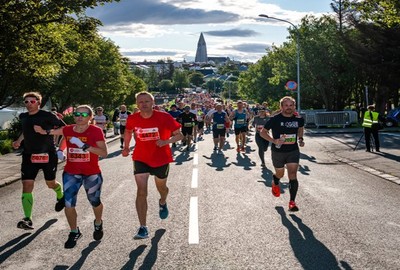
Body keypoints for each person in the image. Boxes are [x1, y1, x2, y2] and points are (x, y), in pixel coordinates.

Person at [34, 105, 108, 248]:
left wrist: (84, 146)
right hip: (71, 172)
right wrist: (61, 150)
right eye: (77, 114)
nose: (80, 116)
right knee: (68, 203)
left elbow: (104, 153)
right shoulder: (68, 129)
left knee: (95, 201)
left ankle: (98, 222)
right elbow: (59, 134)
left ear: (90, 117)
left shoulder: (96, 131)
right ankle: (74, 231)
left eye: (84, 115)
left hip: (91, 173)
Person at [122, 91, 183, 239]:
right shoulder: (132, 118)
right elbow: (128, 131)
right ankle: (143, 227)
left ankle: (162, 201)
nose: (144, 104)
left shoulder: (164, 117)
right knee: (141, 191)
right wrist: (126, 146)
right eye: (141, 102)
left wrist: (166, 142)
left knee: (161, 188)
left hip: (161, 158)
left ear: (153, 103)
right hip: (141, 158)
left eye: (147, 101)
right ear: (137, 104)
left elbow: (179, 135)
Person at [12, 92, 66, 230]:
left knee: (50, 184)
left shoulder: (47, 115)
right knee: (27, 185)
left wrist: (45, 131)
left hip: (48, 155)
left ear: (38, 103)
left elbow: (65, 129)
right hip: (29, 155)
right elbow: (26, 131)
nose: (29, 104)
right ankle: (27, 219)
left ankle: (60, 194)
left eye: (32, 101)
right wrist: (19, 141)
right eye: (26, 102)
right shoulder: (23, 117)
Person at [260, 96, 305, 212]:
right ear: (281, 107)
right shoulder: (274, 119)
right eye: (286, 105)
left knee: (293, 174)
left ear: (294, 106)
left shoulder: (298, 119)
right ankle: (275, 180)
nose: (289, 108)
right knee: (280, 174)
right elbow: (263, 132)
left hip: (293, 151)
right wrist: (274, 141)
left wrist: (300, 138)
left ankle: (292, 202)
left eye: (291, 105)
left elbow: (300, 127)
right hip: (278, 151)